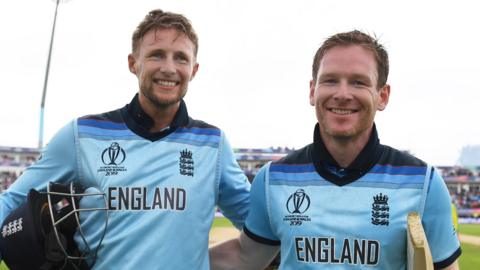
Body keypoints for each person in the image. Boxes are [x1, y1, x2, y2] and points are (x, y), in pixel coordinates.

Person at [0, 9, 250, 269]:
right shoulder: (81, 135)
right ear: (133, 63)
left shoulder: (213, 144)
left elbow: (262, 225)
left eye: (181, 58)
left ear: (194, 70)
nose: (169, 68)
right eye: (156, 55)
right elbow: (11, 201)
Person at [209, 30, 461, 269]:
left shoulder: (423, 183)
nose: (342, 94)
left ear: (382, 96)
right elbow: (246, 256)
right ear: (312, 91)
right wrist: (173, 258)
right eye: (330, 80)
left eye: (359, 82)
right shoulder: (272, 179)